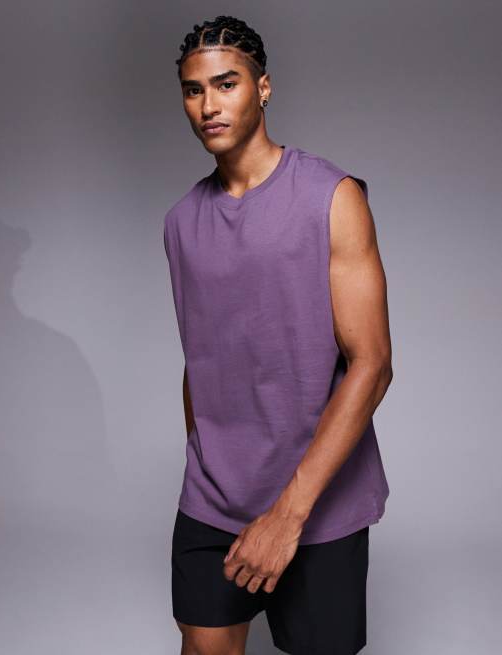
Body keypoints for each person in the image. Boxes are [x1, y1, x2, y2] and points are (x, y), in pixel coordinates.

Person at [163, 15, 393, 655]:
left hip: (320, 503)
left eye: (226, 83)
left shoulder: (331, 197)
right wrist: (207, 461)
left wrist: (288, 514)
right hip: (213, 498)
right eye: (193, 90)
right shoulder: (180, 222)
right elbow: (201, 356)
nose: (208, 105)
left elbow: (373, 363)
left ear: (262, 88)